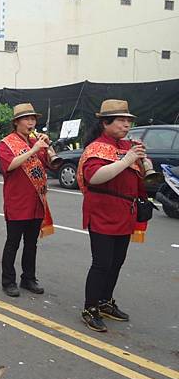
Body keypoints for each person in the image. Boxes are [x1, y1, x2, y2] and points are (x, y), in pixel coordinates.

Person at [77, 100, 149, 332]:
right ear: (105, 122)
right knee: (101, 264)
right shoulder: (97, 148)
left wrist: (142, 160)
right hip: (102, 213)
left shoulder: (126, 145)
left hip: (125, 213)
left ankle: (105, 301)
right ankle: (90, 307)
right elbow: (94, 177)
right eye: (121, 120)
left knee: (116, 262)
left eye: (128, 121)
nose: (126, 125)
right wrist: (127, 160)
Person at [0, 103, 55, 298]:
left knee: (32, 243)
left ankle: (28, 278)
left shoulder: (36, 141)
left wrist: (47, 148)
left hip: (36, 201)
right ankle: (8, 281)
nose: (31, 123)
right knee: (13, 243)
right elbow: (10, 165)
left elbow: (48, 165)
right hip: (17, 201)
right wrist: (33, 150)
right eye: (27, 119)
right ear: (16, 122)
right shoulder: (7, 143)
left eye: (33, 119)